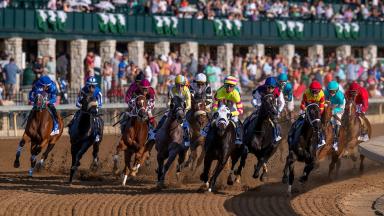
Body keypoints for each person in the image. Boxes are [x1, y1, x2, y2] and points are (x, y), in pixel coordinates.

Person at [203, 76, 244, 145]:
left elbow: (241, 110)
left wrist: (232, 114)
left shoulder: (236, 94)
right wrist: (216, 111)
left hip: (232, 107)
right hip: (222, 106)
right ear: (224, 85)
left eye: (231, 86)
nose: (228, 88)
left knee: (236, 120)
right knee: (214, 117)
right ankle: (206, 129)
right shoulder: (219, 91)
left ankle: (238, 137)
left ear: (234, 87)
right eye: (226, 86)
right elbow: (215, 105)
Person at [251, 76, 283, 143]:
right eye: (268, 87)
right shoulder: (260, 90)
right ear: (265, 86)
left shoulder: (278, 91)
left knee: (276, 123)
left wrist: (279, 111)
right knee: (250, 119)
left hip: (272, 110)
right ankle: (247, 136)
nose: (270, 89)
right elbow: (254, 100)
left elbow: (281, 102)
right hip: (260, 109)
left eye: (272, 87)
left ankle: (277, 136)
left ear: (275, 87)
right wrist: (257, 106)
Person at [74, 76, 103, 142]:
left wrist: (93, 106)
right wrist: (84, 107)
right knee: (76, 116)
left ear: (95, 86)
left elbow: (100, 104)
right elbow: (77, 103)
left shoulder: (98, 92)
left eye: (93, 86)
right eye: (89, 86)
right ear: (87, 85)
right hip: (84, 109)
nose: (91, 88)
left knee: (96, 119)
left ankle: (97, 133)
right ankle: (73, 130)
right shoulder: (83, 91)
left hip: (94, 109)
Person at [298, 80, 326, 147]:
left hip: (317, 109)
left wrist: (318, 114)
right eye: (313, 91)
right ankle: (298, 134)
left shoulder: (322, 94)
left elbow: (322, 107)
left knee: (320, 121)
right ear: (310, 90)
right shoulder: (306, 93)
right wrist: (305, 109)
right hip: (308, 109)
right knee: (301, 118)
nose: (314, 93)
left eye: (316, 92)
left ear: (319, 91)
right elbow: (302, 104)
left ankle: (321, 138)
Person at [166, 74, 192, 147]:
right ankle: (156, 131)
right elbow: (169, 101)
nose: (180, 87)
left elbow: (188, 104)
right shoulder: (172, 89)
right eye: (178, 85)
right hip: (174, 108)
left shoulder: (186, 91)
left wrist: (184, 109)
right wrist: (170, 106)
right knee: (165, 117)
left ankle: (186, 138)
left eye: (181, 85)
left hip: (184, 109)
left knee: (185, 121)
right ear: (175, 84)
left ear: (184, 85)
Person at [324, 80, 345, 151]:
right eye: (330, 91)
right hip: (330, 104)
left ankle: (336, 141)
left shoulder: (340, 96)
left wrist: (333, 111)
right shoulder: (325, 92)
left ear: (337, 90)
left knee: (337, 121)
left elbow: (341, 108)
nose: (331, 93)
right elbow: (324, 101)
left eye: (333, 91)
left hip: (339, 107)